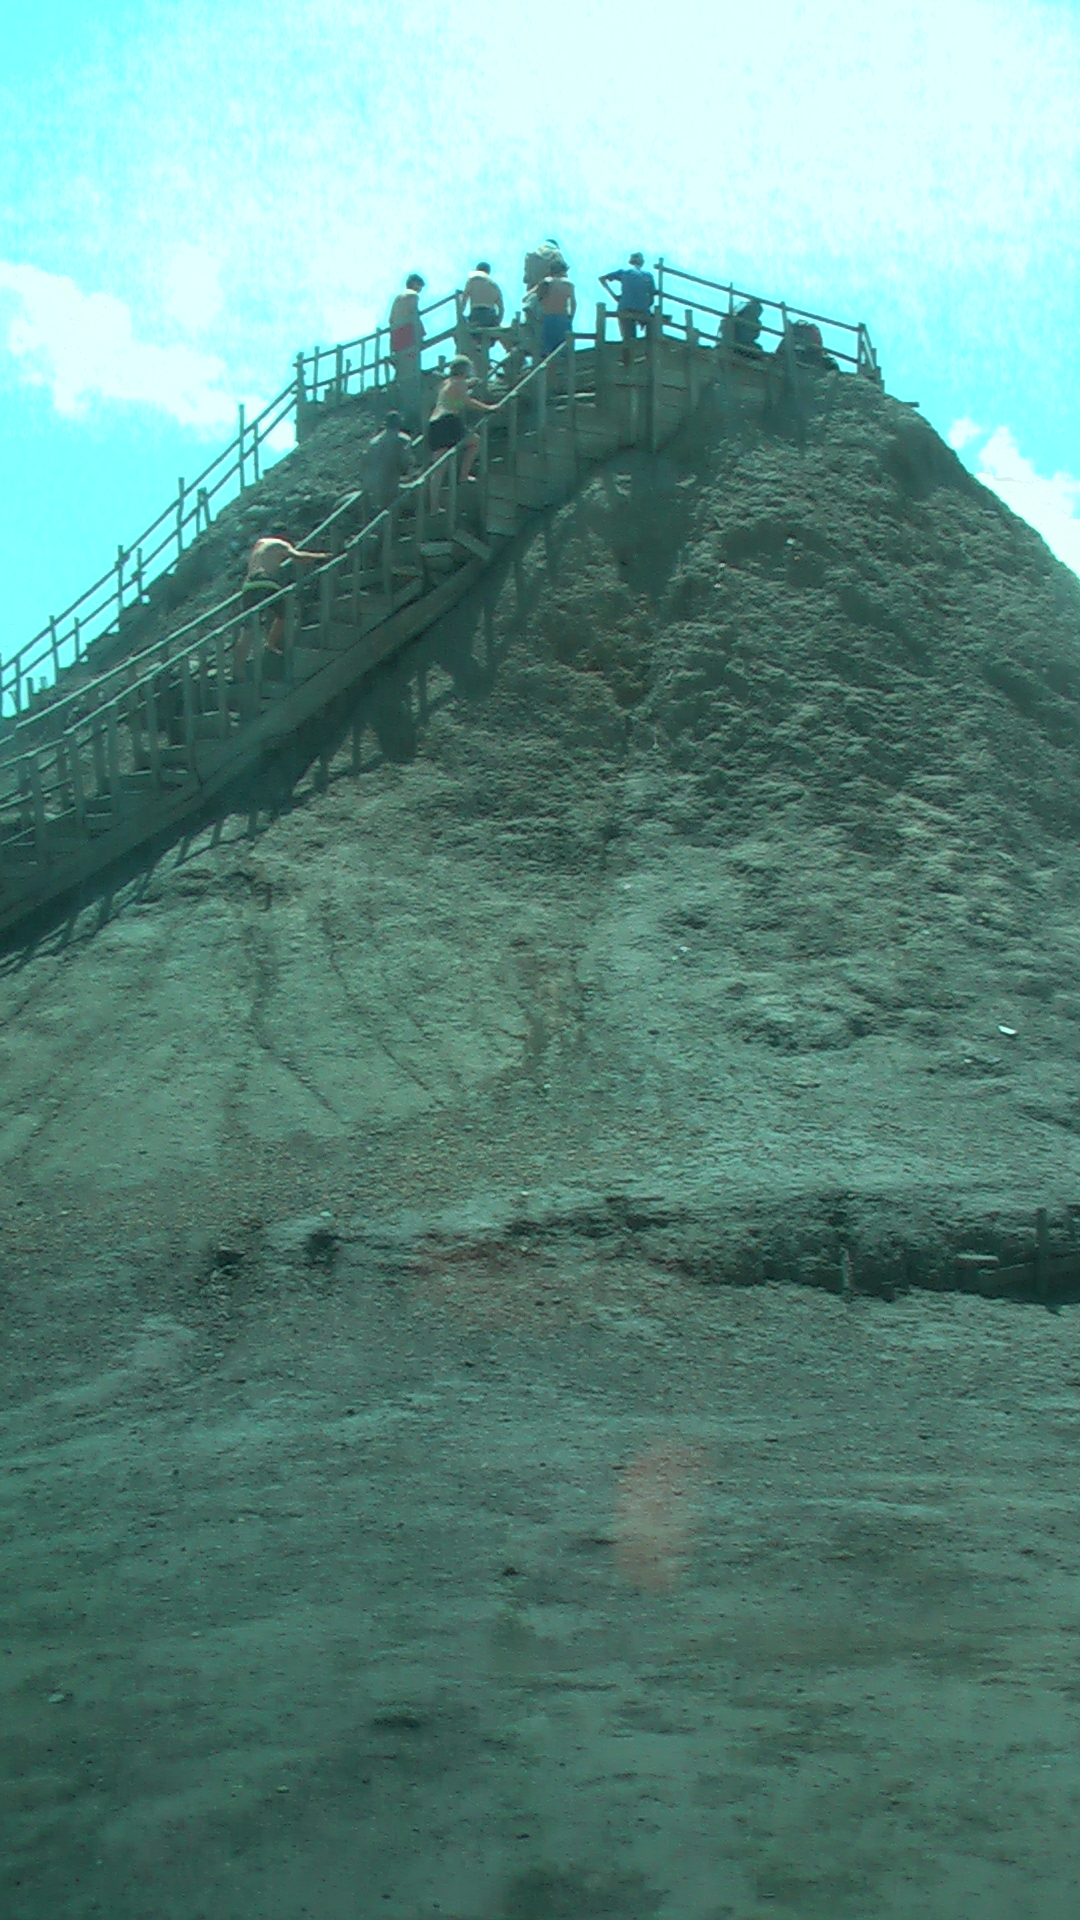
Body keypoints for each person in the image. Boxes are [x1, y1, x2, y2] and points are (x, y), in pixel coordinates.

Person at [235, 528, 330, 676]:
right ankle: (270, 643)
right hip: (265, 582)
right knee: (287, 613)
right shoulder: (281, 543)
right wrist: (322, 556)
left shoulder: (260, 543)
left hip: (248, 585)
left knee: (248, 629)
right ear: (284, 536)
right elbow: (298, 556)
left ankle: (237, 668)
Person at [425, 355, 499, 509]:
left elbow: (453, 401)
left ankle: (433, 506)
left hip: (434, 423)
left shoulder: (446, 384)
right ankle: (463, 476)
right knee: (475, 442)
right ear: (465, 370)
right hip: (448, 420)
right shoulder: (460, 383)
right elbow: (467, 402)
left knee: (439, 467)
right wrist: (489, 408)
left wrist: (469, 384)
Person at [599, 251, 656, 363]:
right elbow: (651, 298)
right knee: (649, 332)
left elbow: (602, 279)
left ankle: (627, 360)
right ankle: (648, 357)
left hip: (625, 307)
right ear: (642, 262)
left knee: (627, 337)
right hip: (642, 310)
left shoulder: (624, 272)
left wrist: (614, 296)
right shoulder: (648, 276)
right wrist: (644, 309)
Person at [388, 273, 425, 427]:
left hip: (396, 333)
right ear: (414, 284)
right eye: (420, 287)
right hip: (407, 331)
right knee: (411, 363)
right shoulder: (413, 296)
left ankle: (395, 396)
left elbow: (390, 319)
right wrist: (421, 333)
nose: (420, 290)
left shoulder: (397, 298)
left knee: (402, 365)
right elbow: (414, 315)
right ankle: (410, 405)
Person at [362, 410, 414, 514]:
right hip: (391, 489)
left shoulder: (373, 442)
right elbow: (405, 464)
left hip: (371, 489)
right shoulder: (403, 440)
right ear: (399, 423)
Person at [534, 258, 576, 361]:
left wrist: (539, 316)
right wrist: (570, 317)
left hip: (547, 317)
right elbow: (573, 304)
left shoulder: (545, 282)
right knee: (564, 351)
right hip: (563, 317)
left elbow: (538, 300)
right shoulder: (568, 284)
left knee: (546, 352)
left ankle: (547, 375)